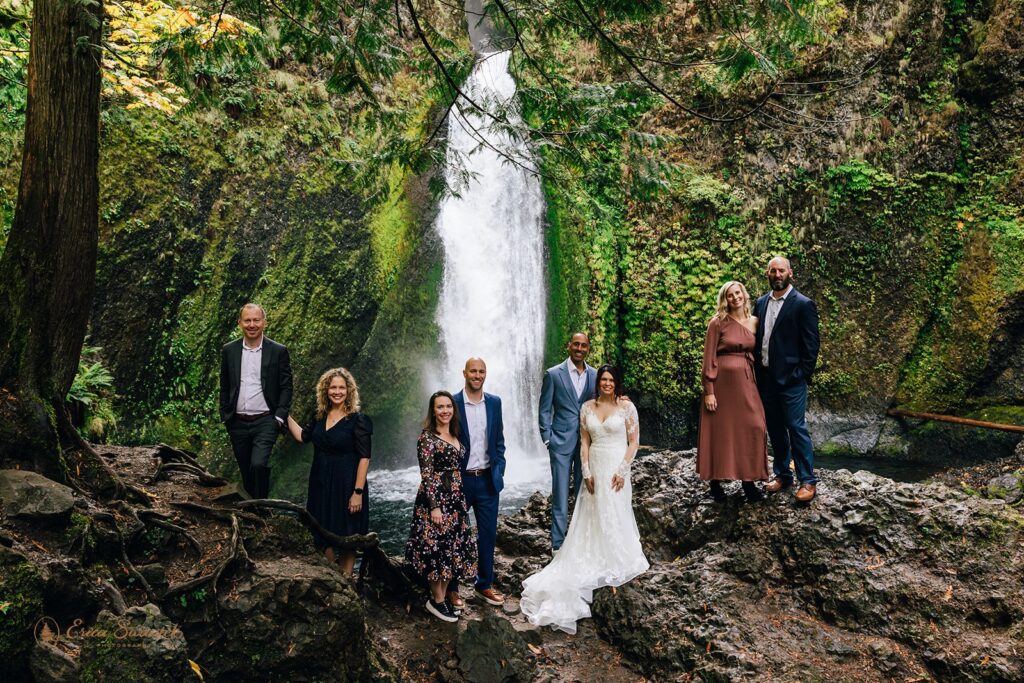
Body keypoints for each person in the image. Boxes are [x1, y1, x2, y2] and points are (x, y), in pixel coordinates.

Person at [521, 365, 649, 634]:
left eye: (611, 380)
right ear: (597, 382)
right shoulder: (587, 408)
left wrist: (623, 470)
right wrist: (587, 471)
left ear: (617, 383)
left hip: (615, 467)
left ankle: (614, 553)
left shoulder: (627, 408)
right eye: (603, 379)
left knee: (615, 511)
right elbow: (584, 442)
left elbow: (634, 441)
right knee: (591, 514)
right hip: (595, 468)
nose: (606, 383)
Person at [285, 368, 371, 574]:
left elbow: (364, 457)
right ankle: (335, 578)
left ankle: (347, 581)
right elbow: (302, 437)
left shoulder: (358, 420)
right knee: (321, 533)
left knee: (347, 535)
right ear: (325, 390)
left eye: (342, 387)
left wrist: (357, 493)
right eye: (333, 387)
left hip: (347, 484)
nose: (337, 391)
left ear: (349, 391)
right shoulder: (319, 417)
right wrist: (282, 414)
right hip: (320, 484)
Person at [406, 391, 478, 623]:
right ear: (433, 411)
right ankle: (436, 600)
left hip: (456, 500)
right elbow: (427, 475)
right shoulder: (427, 438)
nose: (445, 410)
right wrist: (434, 507)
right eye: (440, 407)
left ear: (453, 410)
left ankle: (443, 596)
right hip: (435, 501)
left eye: (448, 406)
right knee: (436, 548)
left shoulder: (456, 434)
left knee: (452, 548)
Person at [754, 257, 821, 503]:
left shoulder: (803, 304)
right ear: (767, 273)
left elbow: (811, 346)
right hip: (766, 379)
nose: (777, 274)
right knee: (775, 429)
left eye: (781, 270)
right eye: (773, 270)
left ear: (790, 273)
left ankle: (808, 480)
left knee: (796, 427)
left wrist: (800, 374)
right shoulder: (760, 303)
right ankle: (783, 474)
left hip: (792, 380)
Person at [697, 281, 770, 502]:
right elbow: (708, 358)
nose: (735, 297)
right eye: (730, 295)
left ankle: (749, 481)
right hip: (721, 385)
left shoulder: (756, 322)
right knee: (719, 430)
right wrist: (709, 390)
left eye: (738, 293)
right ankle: (715, 482)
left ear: (744, 294)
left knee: (755, 425)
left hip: (747, 382)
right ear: (724, 299)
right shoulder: (717, 323)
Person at [446, 358, 507, 610]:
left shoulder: (494, 402)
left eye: (481, 371)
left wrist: (499, 469)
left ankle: (484, 585)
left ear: (485, 374)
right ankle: (452, 589)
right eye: (473, 371)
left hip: (487, 480)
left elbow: (500, 442)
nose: (477, 375)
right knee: (454, 536)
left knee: (488, 534)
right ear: (464, 373)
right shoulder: (452, 403)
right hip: (461, 480)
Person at [219, 303, 293, 499]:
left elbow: (286, 386)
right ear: (240, 323)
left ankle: (260, 508)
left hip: (266, 420)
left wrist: (279, 417)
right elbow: (225, 386)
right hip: (237, 421)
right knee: (246, 469)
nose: (252, 324)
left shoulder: (278, 351)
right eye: (247, 320)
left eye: (256, 320)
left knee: (258, 464)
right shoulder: (229, 350)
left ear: (264, 323)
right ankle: (253, 509)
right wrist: (225, 415)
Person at [538, 332, 596, 552]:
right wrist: (547, 439)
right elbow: (544, 409)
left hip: (587, 444)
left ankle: (582, 541)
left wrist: (621, 400)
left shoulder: (594, 375)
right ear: (569, 346)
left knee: (585, 494)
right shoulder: (554, 374)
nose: (579, 348)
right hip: (560, 443)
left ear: (588, 349)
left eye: (584, 345)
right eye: (576, 344)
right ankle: (558, 545)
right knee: (560, 495)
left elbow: (603, 401)